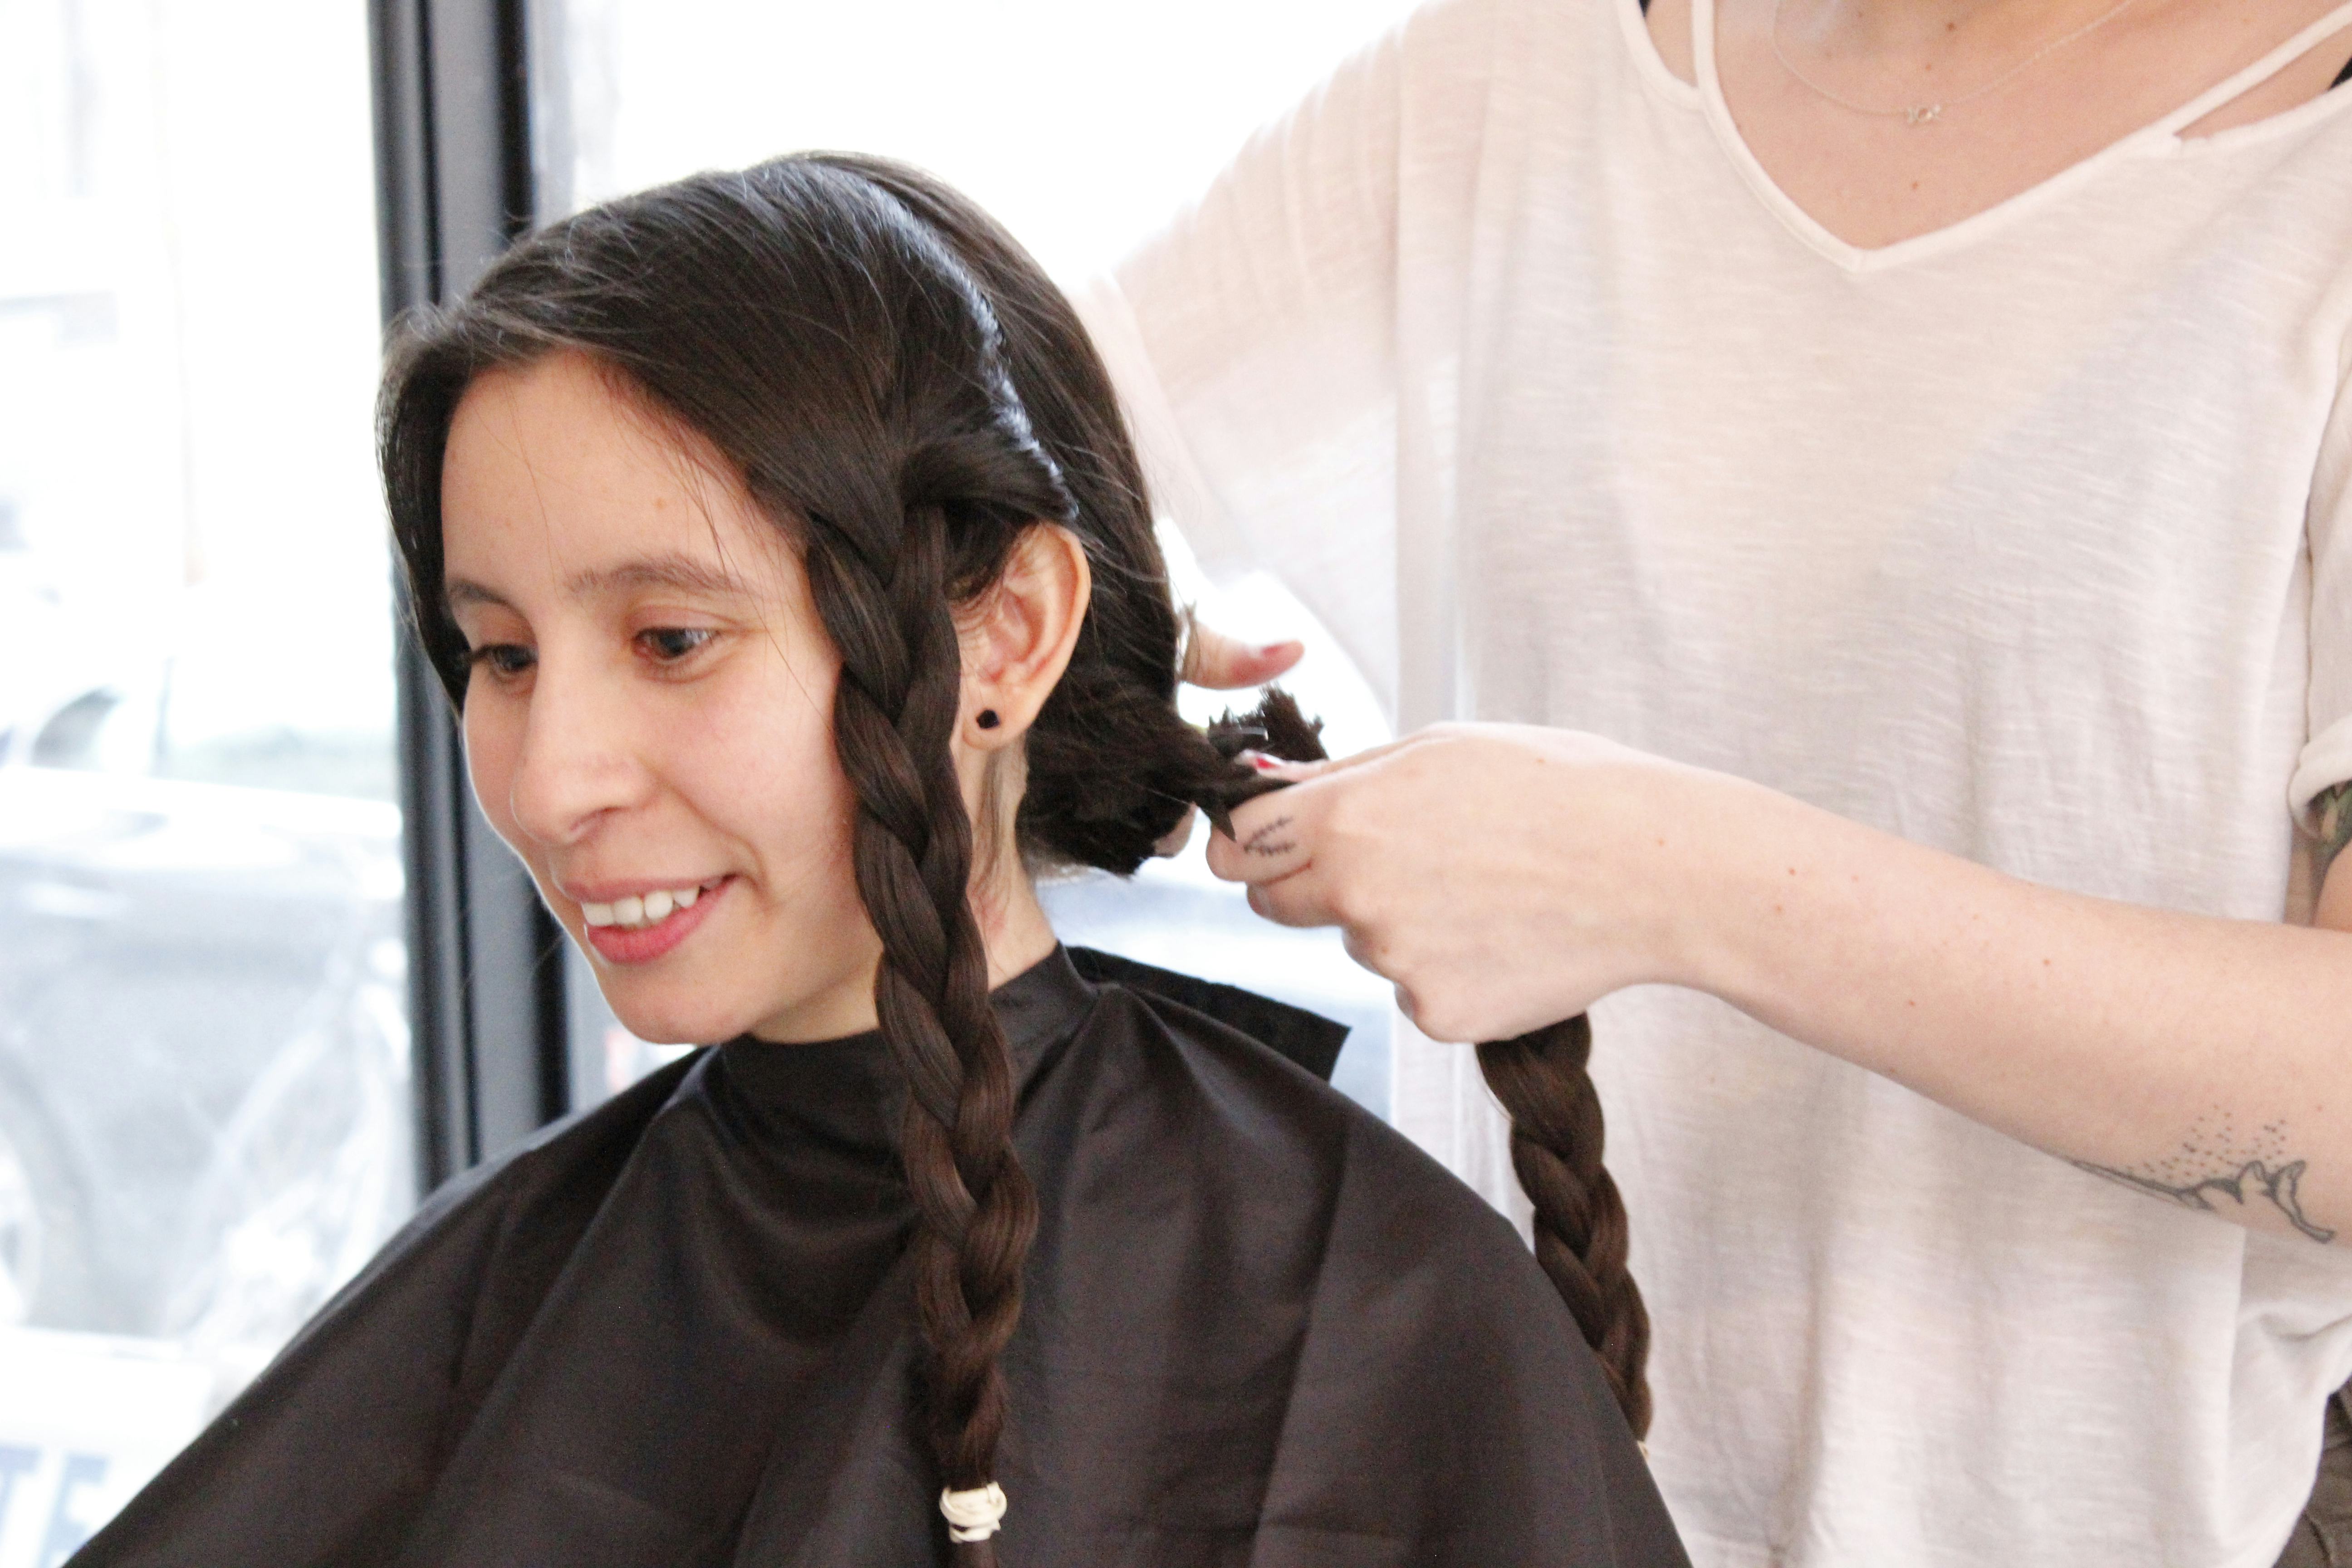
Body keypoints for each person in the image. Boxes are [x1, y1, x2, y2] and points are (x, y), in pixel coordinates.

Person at [64, 155, 1689, 1568]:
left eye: (673, 637)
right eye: (500, 655)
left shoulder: (1352, 1307)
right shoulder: (502, 1288)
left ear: (1011, 633)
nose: (553, 781)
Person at [1078, 0, 2352, 1563]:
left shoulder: (2313, 175)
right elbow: (957, 455)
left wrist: (1668, 877)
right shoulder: (1522, 73)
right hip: (1523, 1502)